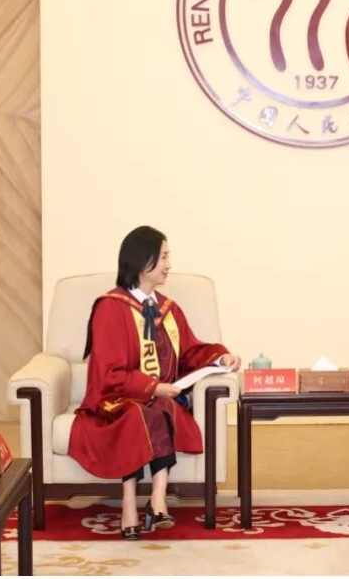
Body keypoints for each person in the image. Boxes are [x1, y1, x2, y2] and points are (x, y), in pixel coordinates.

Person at [69, 226, 241, 539]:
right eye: (163, 257)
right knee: (139, 413)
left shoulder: (167, 310)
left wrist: (220, 356)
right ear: (142, 260)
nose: (168, 264)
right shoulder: (111, 308)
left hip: (158, 398)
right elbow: (108, 372)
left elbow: (190, 351)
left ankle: (157, 498)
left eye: (167, 257)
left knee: (161, 406)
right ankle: (130, 502)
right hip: (115, 400)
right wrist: (153, 387)